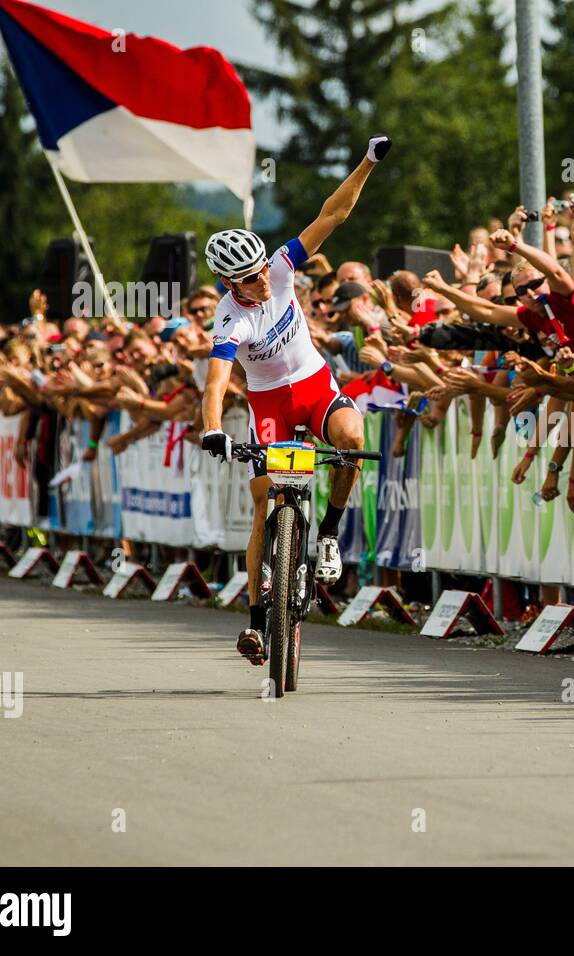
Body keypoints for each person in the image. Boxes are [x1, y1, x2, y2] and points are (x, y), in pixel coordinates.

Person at [199, 134, 392, 665]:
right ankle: (258, 622)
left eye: (262, 270)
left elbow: (333, 214)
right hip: (269, 407)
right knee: (264, 502)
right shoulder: (229, 318)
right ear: (227, 282)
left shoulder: (281, 266)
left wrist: (367, 162)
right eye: (248, 279)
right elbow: (216, 382)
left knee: (351, 440)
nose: (262, 282)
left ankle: (328, 532)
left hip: (314, 387)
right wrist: (213, 429)